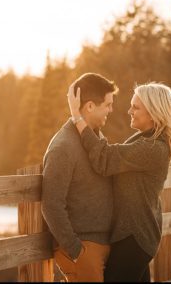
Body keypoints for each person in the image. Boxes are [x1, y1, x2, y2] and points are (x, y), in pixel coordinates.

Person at [67, 81, 171, 282]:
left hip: (134, 238)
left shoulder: (152, 148)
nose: (129, 111)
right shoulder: (144, 140)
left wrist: (78, 117)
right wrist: (91, 123)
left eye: (136, 107)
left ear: (154, 112)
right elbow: (109, 153)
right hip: (135, 236)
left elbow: (105, 158)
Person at [41, 73, 119, 282]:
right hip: (84, 248)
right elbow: (52, 205)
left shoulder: (96, 138)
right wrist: (77, 251)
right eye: (108, 105)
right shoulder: (63, 147)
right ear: (91, 106)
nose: (111, 110)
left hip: (105, 245)